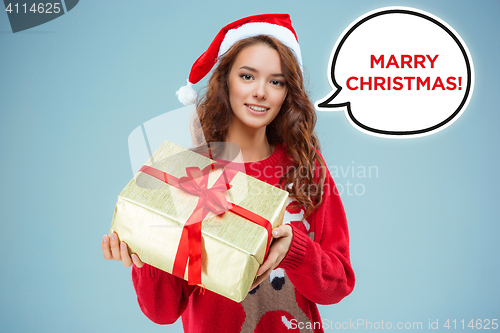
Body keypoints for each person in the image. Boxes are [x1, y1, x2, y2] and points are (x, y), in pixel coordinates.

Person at [102, 14, 355, 333]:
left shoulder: (306, 166)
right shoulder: (188, 171)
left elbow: (338, 284)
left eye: (276, 81)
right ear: (225, 83)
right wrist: (146, 250)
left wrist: (295, 251)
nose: (261, 92)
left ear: (287, 93)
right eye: (247, 76)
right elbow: (162, 311)